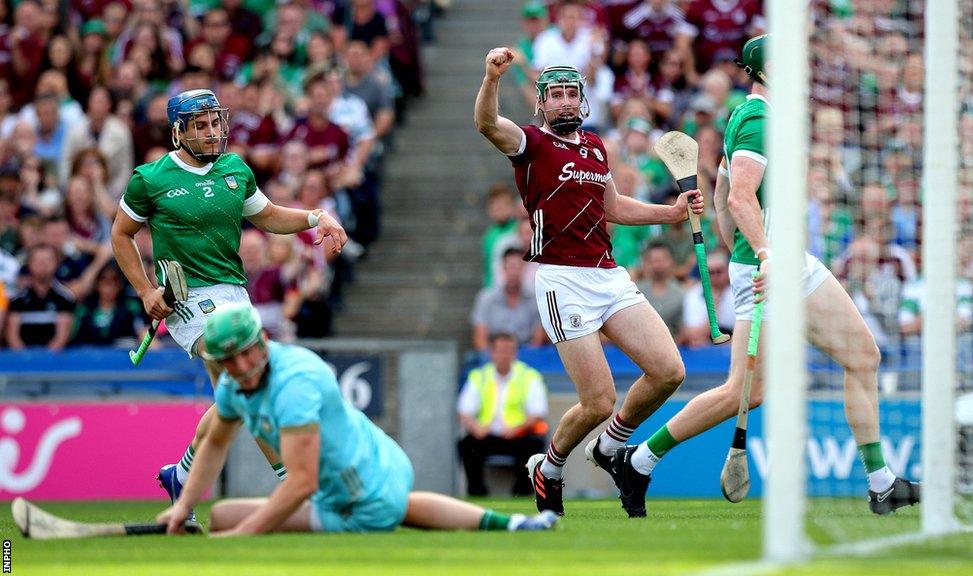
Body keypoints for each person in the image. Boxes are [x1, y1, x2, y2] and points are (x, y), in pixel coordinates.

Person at [615, 35, 920, 518]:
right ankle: (639, 459)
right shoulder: (758, 117)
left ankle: (882, 484)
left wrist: (740, 247)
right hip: (769, 267)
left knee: (863, 355)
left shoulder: (754, 115)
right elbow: (739, 197)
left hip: (785, 261)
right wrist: (759, 253)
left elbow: (720, 196)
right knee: (745, 393)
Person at [474, 47, 704, 516]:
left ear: (582, 101)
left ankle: (608, 448)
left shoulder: (598, 146)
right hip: (563, 279)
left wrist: (672, 212)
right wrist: (492, 79)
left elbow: (614, 207)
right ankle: (551, 467)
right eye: (554, 94)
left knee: (668, 371)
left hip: (608, 274)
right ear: (542, 103)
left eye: (569, 94)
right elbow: (487, 124)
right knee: (597, 401)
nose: (563, 101)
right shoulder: (531, 143)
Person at [110, 89, 347, 516]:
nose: (212, 131)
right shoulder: (151, 178)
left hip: (234, 294)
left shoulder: (234, 169)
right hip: (187, 298)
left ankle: (181, 475)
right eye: (201, 125)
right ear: (178, 131)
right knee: (249, 375)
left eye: (216, 122)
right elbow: (120, 235)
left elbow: (269, 215)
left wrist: (316, 217)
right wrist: (146, 290)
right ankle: (293, 487)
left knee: (235, 396)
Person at [157, 303, 557, 535]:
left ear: (262, 342)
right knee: (221, 514)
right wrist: (184, 506)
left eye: (245, 352)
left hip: (355, 488)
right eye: (228, 359)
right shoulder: (231, 383)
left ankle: (510, 524)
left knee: (383, 508)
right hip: (378, 455)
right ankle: (512, 525)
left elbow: (300, 482)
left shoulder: (295, 383)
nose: (240, 366)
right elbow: (215, 443)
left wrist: (244, 537)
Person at [458, 333, 549, 496]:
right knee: (467, 445)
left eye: (510, 350)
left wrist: (518, 428)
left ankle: (522, 493)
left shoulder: (529, 376)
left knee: (533, 446)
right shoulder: (479, 376)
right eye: (501, 350)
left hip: (519, 435)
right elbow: (465, 411)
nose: (505, 355)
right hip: (487, 436)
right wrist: (476, 427)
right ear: (491, 352)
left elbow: (538, 412)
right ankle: (477, 493)